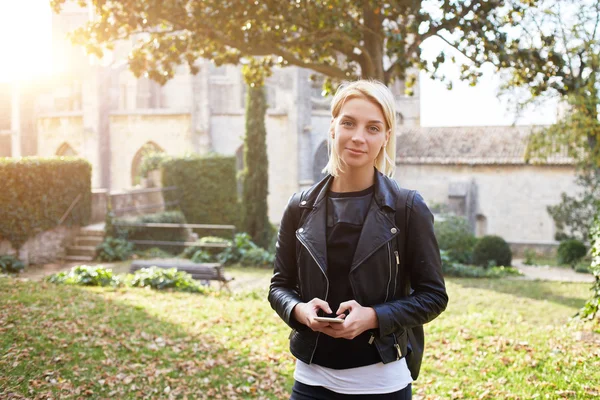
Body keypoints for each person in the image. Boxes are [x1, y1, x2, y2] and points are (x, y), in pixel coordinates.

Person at [268, 79, 448, 399]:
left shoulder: (407, 208)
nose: (358, 137)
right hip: (311, 382)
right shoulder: (299, 207)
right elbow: (279, 287)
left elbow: (433, 296)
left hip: (383, 385)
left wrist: (374, 317)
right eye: (348, 123)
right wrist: (300, 311)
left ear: (386, 138)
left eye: (373, 128)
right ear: (333, 127)